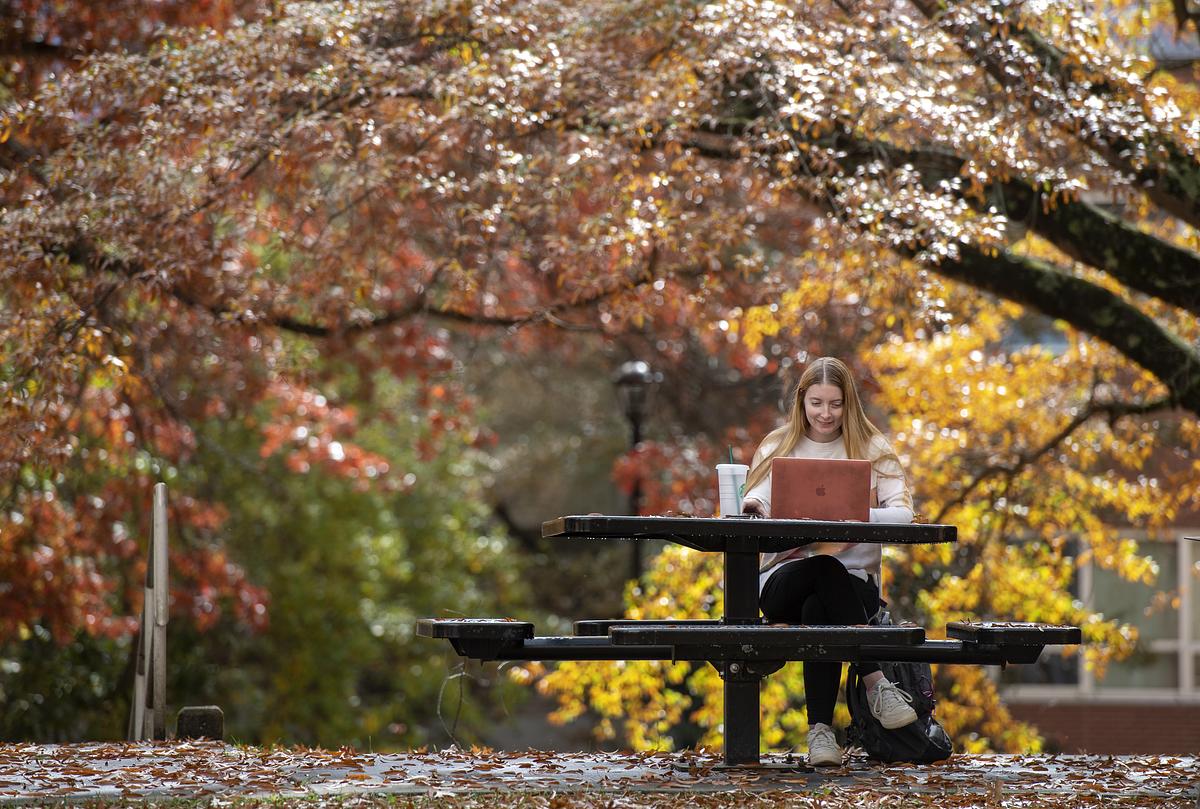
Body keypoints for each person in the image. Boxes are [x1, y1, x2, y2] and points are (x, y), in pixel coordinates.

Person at [740, 356, 918, 767]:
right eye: (816, 403)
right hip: (784, 579)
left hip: (854, 585)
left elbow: (904, 514)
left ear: (848, 403)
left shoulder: (872, 447)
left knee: (820, 604)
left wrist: (849, 513)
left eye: (835, 404)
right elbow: (758, 501)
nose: (825, 414)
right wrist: (753, 504)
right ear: (802, 401)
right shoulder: (778, 445)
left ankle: (820, 735)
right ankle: (875, 680)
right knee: (820, 570)